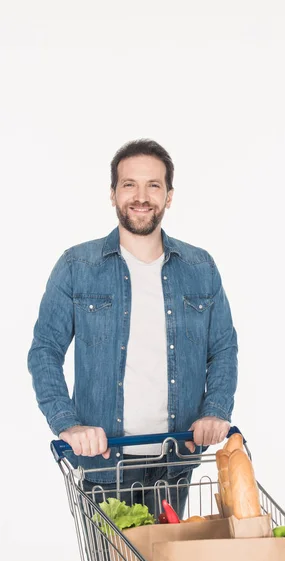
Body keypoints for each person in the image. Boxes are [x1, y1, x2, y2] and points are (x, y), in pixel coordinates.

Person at [27, 138, 238, 519]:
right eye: (129, 185)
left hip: (176, 460)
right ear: (113, 194)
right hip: (104, 463)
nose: (141, 197)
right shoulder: (77, 265)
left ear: (169, 196)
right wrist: (69, 425)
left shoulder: (200, 267)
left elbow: (222, 348)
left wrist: (215, 411)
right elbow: (44, 350)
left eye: (153, 185)